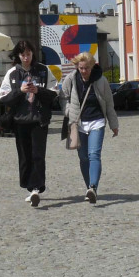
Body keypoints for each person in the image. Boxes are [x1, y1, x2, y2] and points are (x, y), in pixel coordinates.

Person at [0, 40, 57, 207]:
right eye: (23, 55)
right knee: (25, 156)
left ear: (33, 54)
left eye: (29, 54)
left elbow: (54, 93)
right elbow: (3, 97)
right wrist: (20, 91)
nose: (26, 58)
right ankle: (29, 186)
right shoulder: (12, 73)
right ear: (18, 55)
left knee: (38, 155)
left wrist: (38, 91)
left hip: (39, 119)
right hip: (20, 121)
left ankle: (36, 189)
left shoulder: (43, 71)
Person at [60, 52, 119, 204]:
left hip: (97, 121)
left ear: (92, 67)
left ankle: (93, 187)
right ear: (77, 67)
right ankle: (89, 188)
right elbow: (63, 96)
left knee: (94, 154)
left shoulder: (101, 80)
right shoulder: (71, 79)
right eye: (81, 68)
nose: (84, 71)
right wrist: (68, 111)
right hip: (78, 123)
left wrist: (114, 124)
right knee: (83, 157)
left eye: (86, 68)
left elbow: (109, 103)